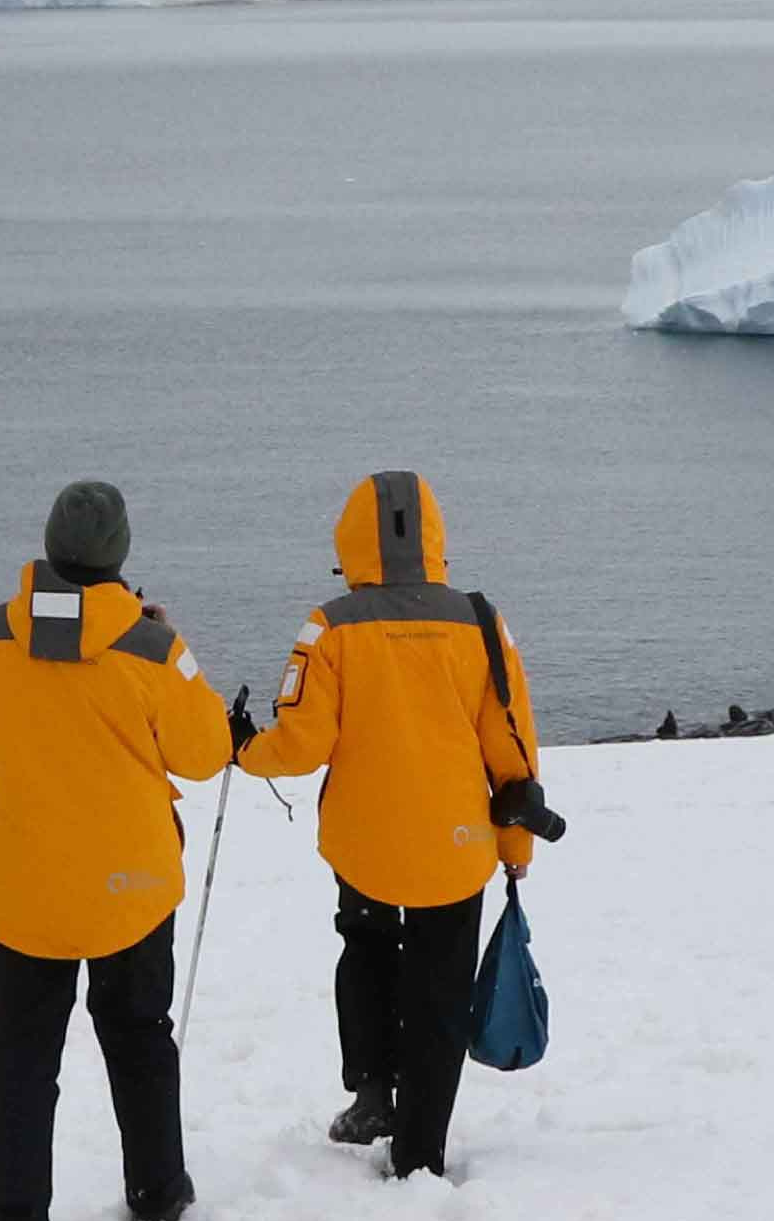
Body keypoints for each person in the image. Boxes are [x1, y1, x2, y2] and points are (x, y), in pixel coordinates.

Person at [232, 468, 558, 1183]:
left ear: (351, 542)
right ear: (435, 538)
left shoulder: (329, 628)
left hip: (363, 841)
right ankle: (419, 1153)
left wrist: (244, 748)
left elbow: (301, 745)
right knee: (441, 993)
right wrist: (516, 845)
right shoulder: (481, 623)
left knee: (367, 954)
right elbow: (512, 749)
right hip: (456, 843)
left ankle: (374, 1092)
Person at [0, 478, 230, 1221]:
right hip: (129, 885)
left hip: (20, 884)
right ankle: (156, 1192)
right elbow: (204, 754)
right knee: (138, 1037)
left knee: (22, 1054)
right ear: (120, 552)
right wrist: (170, 649)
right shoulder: (151, 646)